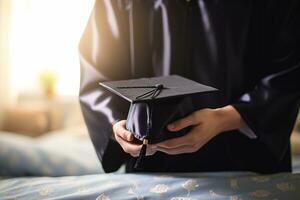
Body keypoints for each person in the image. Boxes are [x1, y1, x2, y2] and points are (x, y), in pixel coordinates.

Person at [79, 0, 300, 173]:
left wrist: (224, 119)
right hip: (152, 162)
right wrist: (116, 126)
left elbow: (289, 68)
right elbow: (98, 73)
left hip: (243, 159)